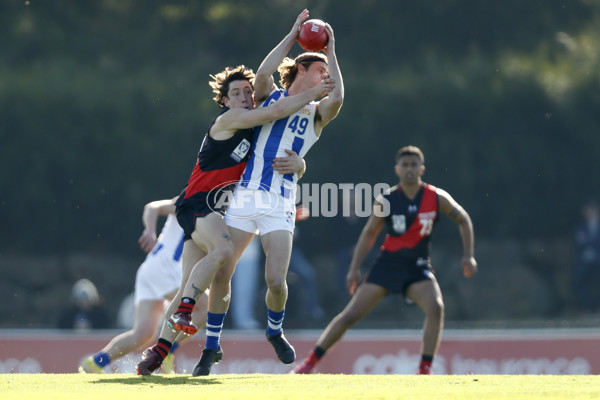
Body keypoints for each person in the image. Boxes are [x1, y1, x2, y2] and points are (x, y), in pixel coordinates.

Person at [135, 63, 335, 376]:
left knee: (191, 287)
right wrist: (313, 88)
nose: (245, 96)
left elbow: (275, 151)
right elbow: (276, 110)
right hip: (198, 203)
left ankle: (156, 354)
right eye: (237, 93)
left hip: (216, 207)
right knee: (222, 254)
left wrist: (301, 166)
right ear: (225, 101)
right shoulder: (233, 118)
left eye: (247, 91)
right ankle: (187, 319)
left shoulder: (252, 127)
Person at [191, 9, 344, 375]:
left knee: (275, 279)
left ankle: (274, 331)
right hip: (246, 196)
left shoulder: (315, 113)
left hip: (279, 203)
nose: (325, 75)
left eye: (326, 70)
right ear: (300, 71)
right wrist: (293, 34)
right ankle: (211, 348)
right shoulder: (269, 96)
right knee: (223, 274)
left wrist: (333, 50)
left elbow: (338, 97)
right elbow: (261, 73)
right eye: (319, 68)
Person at [292, 145, 478, 375]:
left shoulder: (436, 197)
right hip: (387, 266)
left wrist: (468, 254)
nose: (409, 169)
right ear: (397, 169)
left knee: (436, 307)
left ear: (422, 169)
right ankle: (309, 364)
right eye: (405, 165)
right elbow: (369, 234)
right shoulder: (387, 199)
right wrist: (354, 268)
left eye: (413, 165)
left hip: (417, 268)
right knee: (350, 315)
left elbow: (464, 219)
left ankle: (424, 370)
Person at [79, 198, 207, 373]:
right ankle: (166, 352)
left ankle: (97, 362)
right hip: (165, 269)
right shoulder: (193, 198)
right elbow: (152, 207)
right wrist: (149, 230)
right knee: (205, 306)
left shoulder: (207, 201)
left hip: (151, 269)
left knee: (143, 334)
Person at [572, 200, 600, 315]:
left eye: (594, 210)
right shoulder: (580, 226)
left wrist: (589, 243)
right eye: (589, 210)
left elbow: (587, 242)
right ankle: (586, 308)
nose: (591, 212)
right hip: (584, 261)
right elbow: (578, 242)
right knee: (579, 281)